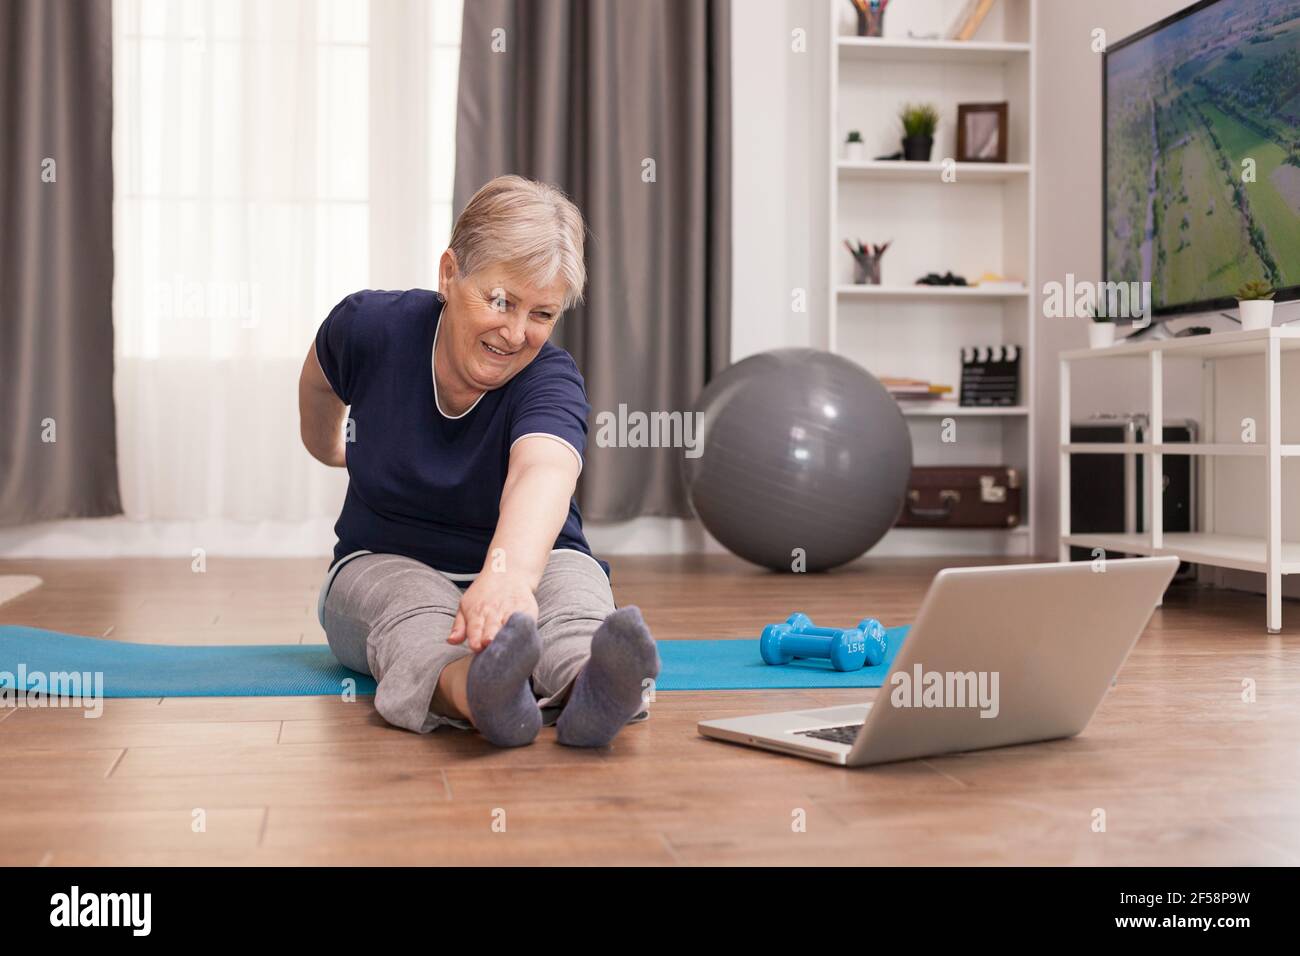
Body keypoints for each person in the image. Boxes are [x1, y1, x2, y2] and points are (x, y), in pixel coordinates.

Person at [298, 175, 659, 748]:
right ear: (449, 274)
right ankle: (481, 693)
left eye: (542, 314)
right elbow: (320, 384)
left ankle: (590, 687)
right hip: (386, 560)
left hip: (528, 565)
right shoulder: (370, 328)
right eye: (501, 301)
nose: (516, 333)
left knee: (573, 601)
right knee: (415, 616)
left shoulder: (550, 378)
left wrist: (508, 577)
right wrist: (327, 448)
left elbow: (543, 469)